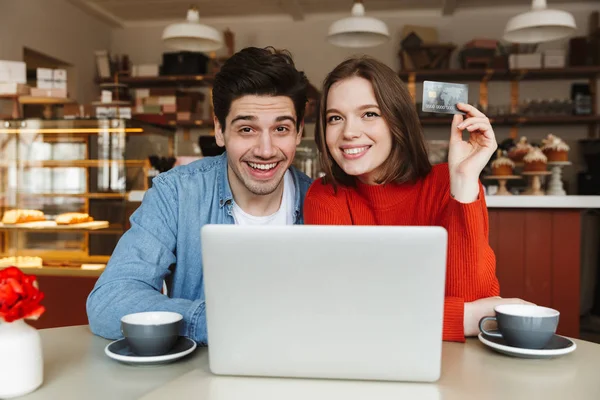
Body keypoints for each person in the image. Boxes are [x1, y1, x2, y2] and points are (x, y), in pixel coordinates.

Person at [87, 47, 313, 344]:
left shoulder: (321, 201)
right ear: (220, 131)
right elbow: (110, 299)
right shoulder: (177, 193)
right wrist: (213, 321)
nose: (266, 149)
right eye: (247, 129)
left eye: (281, 128)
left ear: (298, 133)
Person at [303, 56, 529, 342]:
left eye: (369, 114)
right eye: (335, 118)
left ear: (397, 119)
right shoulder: (325, 196)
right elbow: (345, 311)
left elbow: (472, 294)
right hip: (368, 352)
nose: (349, 132)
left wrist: (462, 180)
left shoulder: (446, 184)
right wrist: (464, 317)